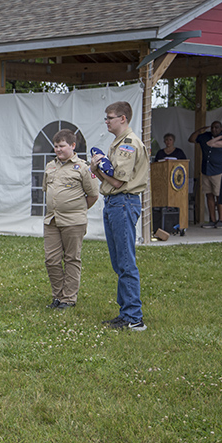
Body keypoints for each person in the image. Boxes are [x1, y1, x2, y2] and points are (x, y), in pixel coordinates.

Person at [91, 101, 149, 331]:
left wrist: (96, 168)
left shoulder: (129, 144)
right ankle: (126, 313)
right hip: (115, 203)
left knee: (126, 262)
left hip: (122, 202)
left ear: (122, 118)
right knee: (119, 261)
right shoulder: (118, 143)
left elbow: (116, 181)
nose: (107, 121)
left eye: (110, 117)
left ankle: (134, 318)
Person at [43, 130, 99, 310]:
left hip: (74, 221)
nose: (58, 149)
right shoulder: (50, 166)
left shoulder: (83, 168)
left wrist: (77, 210)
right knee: (51, 259)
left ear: (73, 146)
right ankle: (58, 296)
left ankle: (69, 299)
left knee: (72, 259)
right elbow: (46, 189)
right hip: (52, 220)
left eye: (62, 146)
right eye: (56, 146)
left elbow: (93, 195)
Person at [188, 121, 222, 228]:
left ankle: (221, 220)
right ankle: (212, 220)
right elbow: (191, 139)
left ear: (221, 128)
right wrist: (199, 131)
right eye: (213, 127)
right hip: (206, 170)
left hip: (219, 170)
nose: (214, 129)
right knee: (209, 195)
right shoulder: (205, 136)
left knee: (219, 196)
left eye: (217, 128)